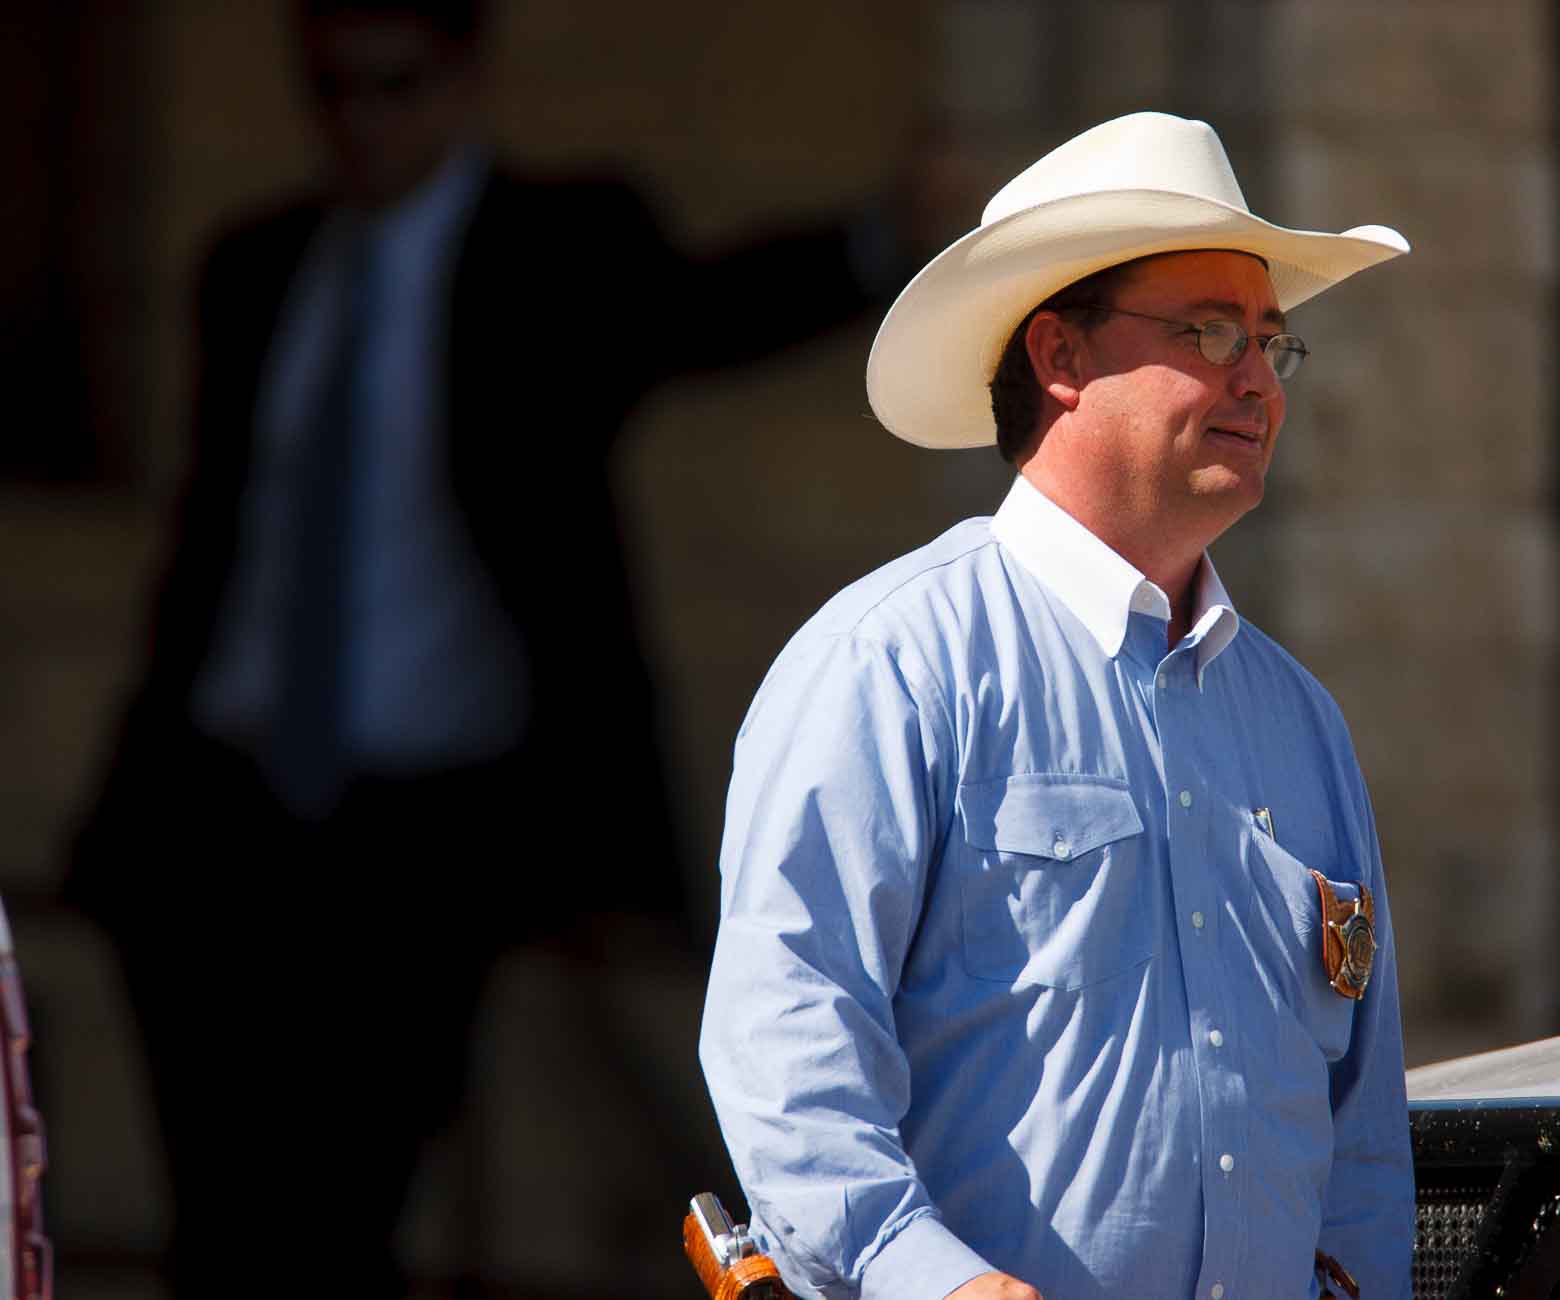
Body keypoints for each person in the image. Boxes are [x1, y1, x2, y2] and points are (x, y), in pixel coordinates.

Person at [63, 1, 913, 1294]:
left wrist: (888, 241)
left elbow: (704, 309)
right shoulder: (256, 262)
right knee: (217, 1203)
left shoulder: (552, 249)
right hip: (219, 800)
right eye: (332, 90)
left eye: (393, 85)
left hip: (434, 818)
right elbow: (213, 549)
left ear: (462, 82)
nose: (361, 122)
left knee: (346, 1197)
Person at [700, 111, 1415, 1300]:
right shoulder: (891, 665)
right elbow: (787, 1050)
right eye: (1212, 330)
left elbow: (1364, 1140)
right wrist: (930, 1280)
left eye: (1273, 344)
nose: (1256, 375)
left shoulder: (1302, 725)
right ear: (1061, 359)